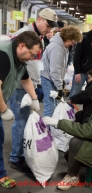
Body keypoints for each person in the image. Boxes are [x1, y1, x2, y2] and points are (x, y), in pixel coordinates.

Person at [9, 8, 58, 171]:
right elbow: (17, 64)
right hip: (18, 86)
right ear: (39, 19)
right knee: (21, 121)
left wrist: (36, 86)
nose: (50, 28)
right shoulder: (23, 34)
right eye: (48, 24)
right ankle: (16, 158)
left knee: (26, 120)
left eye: (52, 26)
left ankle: (24, 153)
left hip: (29, 85)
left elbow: (34, 64)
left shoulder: (40, 38)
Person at [0, 31, 42, 188]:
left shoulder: (20, 60)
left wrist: (34, 98)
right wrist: (4, 109)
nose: (32, 58)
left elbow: (25, 80)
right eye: (32, 54)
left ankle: (0, 174)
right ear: (22, 46)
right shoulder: (3, 55)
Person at [40, 26, 83, 118]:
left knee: (54, 106)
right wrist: (59, 88)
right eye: (72, 41)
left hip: (52, 79)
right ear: (68, 37)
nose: (72, 44)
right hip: (48, 79)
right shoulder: (56, 48)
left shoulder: (63, 47)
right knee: (50, 108)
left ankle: (50, 129)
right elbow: (54, 70)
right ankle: (46, 130)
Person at [68, 15, 92, 99]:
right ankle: (66, 110)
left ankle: (88, 112)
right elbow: (77, 56)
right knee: (74, 94)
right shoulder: (84, 38)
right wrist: (77, 72)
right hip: (82, 72)